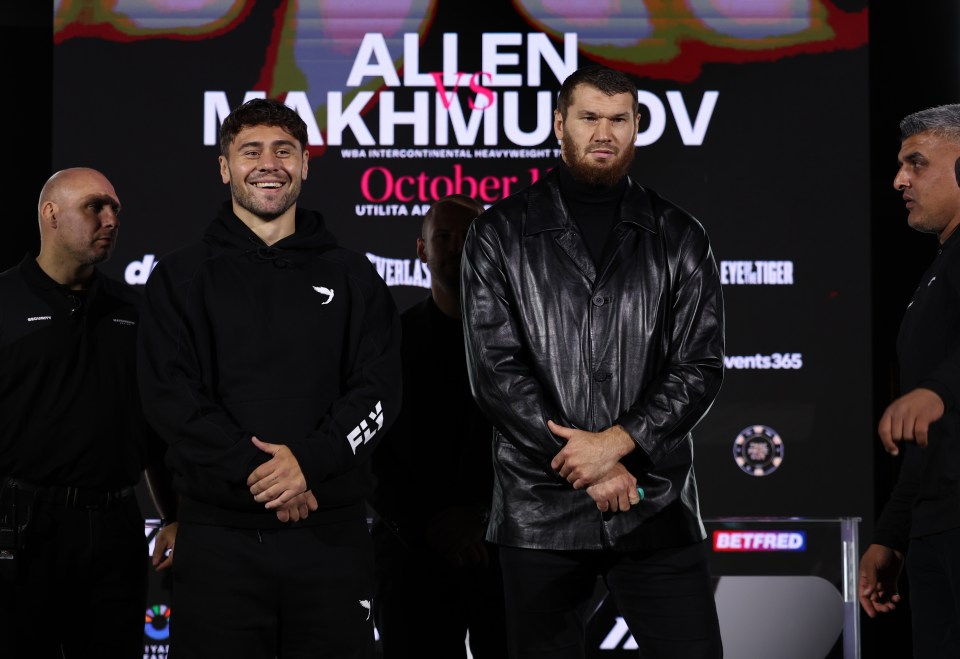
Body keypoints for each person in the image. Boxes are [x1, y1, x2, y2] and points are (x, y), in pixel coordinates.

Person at [460, 64, 725, 658]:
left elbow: (699, 366)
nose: (604, 133)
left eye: (618, 119)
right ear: (560, 124)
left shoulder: (680, 235)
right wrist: (593, 465)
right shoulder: (498, 233)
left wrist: (619, 444)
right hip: (539, 510)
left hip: (653, 504)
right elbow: (497, 372)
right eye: (588, 118)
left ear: (636, 126)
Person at [136, 97, 402, 658]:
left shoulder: (354, 275)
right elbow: (170, 400)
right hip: (218, 539)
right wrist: (268, 475)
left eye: (283, 151)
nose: (268, 164)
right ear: (224, 167)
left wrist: (308, 464)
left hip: (331, 536)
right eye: (250, 151)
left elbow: (379, 392)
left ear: (305, 163)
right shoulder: (180, 277)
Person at [0, 167, 177, 658]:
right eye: (94, 207)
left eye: (115, 209)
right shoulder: (4, 302)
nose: (111, 219)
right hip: (22, 528)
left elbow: (157, 430)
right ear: (51, 214)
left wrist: (173, 515)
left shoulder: (133, 311)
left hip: (116, 529)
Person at [370, 194, 508, 659]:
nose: (456, 246)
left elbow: (538, 441)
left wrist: (481, 517)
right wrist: (427, 527)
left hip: (503, 552)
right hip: (412, 557)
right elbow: (369, 449)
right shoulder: (389, 344)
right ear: (421, 250)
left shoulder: (523, 342)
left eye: (468, 236)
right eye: (443, 236)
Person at [858, 103, 960, 658]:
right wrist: (892, 534)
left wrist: (939, 390)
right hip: (935, 528)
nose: (899, 180)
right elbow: (922, 440)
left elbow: (933, 400)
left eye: (916, 163)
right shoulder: (938, 271)